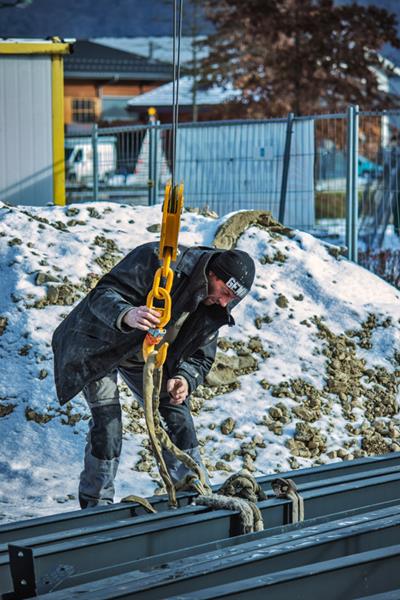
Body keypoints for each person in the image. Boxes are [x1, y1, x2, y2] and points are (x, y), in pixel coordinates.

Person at [52, 242, 256, 508]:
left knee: (177, 414)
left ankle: (194, 489)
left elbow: (201, 356)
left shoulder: (214, 304)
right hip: (98, 346)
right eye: (225, 292)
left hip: (144, 356)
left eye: (233, 298)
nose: (225, 302)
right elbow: (101, 295)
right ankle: (96, 504)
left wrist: (184, 377)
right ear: (213, 275)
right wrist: (127, 314)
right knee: (108, 424)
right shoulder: (158, 261)